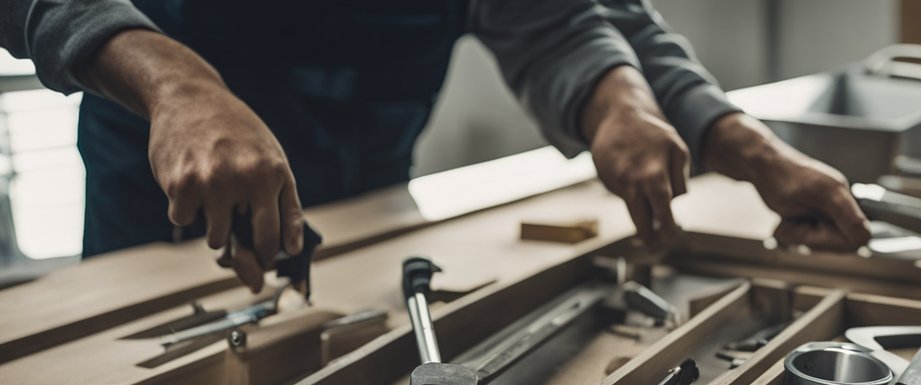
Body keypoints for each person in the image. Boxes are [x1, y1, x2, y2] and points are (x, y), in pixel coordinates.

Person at [3, 0, 870, 293]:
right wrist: (173, 83)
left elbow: (571, 19)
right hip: (158, 204)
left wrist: (744, 147)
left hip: (366, 207)